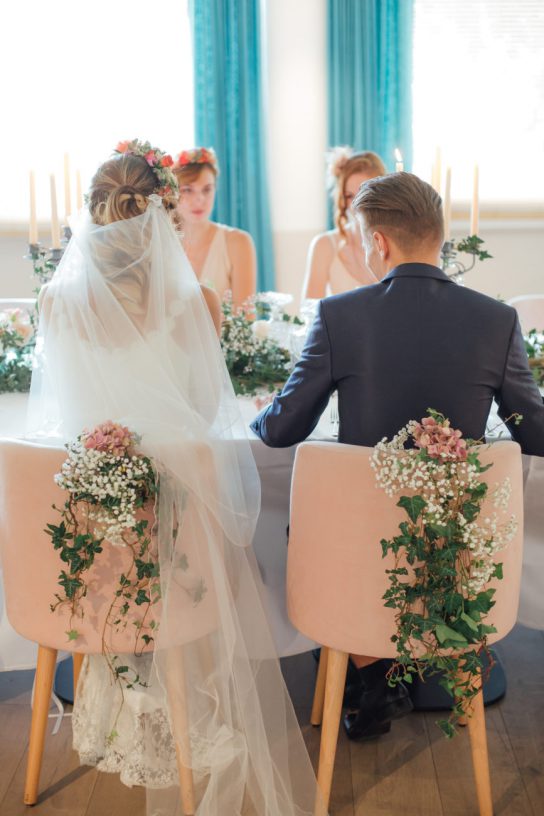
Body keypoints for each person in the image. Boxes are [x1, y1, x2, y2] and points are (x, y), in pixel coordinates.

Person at [27, 140, 323, 815]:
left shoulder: (56, 303)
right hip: (174, 531)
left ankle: (120, 686)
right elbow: (206, 422)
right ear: (161, 213)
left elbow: (58, 420)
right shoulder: (197, 305)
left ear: (91, 215)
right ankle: (170, 685)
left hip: (89, 528)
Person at [251, 171, 544, 740]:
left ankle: (369, 669)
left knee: (309, 523)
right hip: (456, 549)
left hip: (354, 554)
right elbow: (534, 435)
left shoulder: (341, 316)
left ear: (379, 242)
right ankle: (397, 669)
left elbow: (283, 431)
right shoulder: (497, 320)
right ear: (439, 235)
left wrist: (262, 410)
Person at [173, 147, 257, 308]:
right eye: (188, 190)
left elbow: (246, 319)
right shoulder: (158, 244)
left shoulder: (238, 243)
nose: (199, 199)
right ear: (173, 192)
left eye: (207, 189)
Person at [301, 147, 387, 300]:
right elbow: (310, 314)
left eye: (363, 194)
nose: (356, 205)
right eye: (349, 196)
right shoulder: (324, 246)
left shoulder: (398, 245)